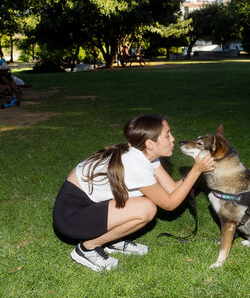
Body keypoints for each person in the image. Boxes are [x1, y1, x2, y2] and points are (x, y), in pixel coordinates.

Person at [53, 115, 215, 272]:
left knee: (146, 200)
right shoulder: (136, 164)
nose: (172, 139)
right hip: (71, 217)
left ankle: (112, 240)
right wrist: (196, 170)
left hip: (91, 207)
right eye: (167, 136)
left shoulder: (143, 153)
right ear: (150, 143)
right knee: (147, 208)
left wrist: (197, 170)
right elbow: (170, 204)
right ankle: (88, 248)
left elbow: (172, 190)